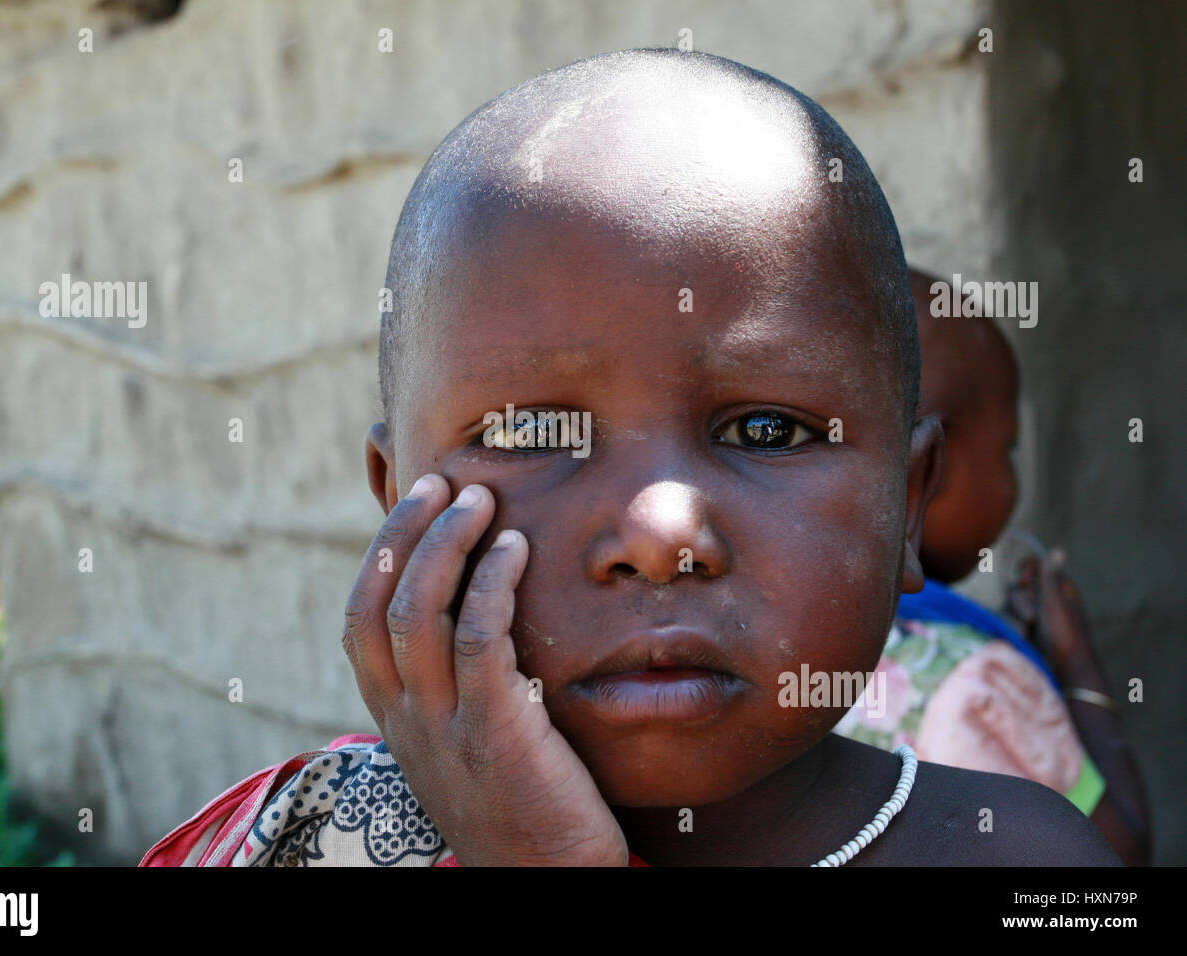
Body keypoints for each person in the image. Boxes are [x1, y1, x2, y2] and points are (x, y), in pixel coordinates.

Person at [141, 49, 1118, 866]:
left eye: (766, 430)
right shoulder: (318, 838)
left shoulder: (1019, 856)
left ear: (907, 506)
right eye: (528, 431)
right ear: (397, 505)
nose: (659, 535)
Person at [832, 270, 1150, 864]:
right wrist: (1080, 668)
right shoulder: (980, 679)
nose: (1012, 475)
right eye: (1005, 447)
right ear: (931, 465)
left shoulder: (775, 652)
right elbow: (1118, 867)